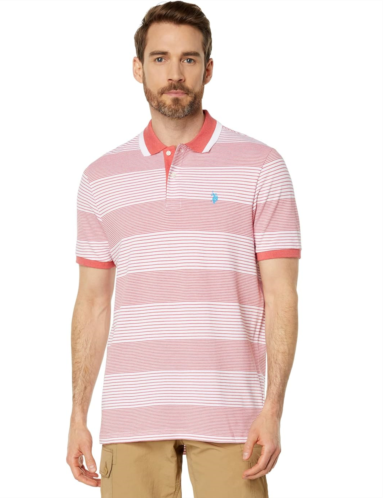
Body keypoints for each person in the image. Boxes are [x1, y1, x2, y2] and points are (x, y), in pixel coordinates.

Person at [66, 1, 301, 496]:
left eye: (189, 59)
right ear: (138, 68)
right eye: (160, 58)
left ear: (208, 69)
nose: (174, 73)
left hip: (232, 417)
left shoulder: (261, 166)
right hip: (131, 416)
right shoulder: (100, 178)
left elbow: (282, 296)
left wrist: (273, 409)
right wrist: (77, 414)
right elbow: (92, 302)